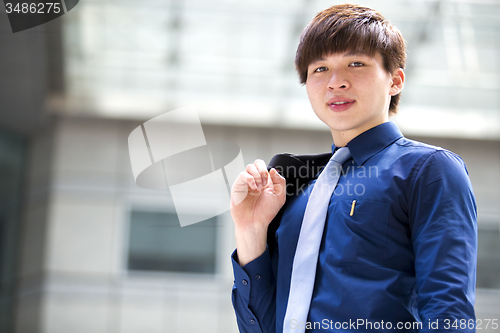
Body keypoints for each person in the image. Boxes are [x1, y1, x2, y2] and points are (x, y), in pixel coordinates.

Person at [229, 4, 477, 333]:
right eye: (319, 69)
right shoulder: (298, 188)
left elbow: (448, 311)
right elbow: (263, 326)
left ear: (396, 81)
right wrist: (250, 231)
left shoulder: (429, 170)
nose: (336, 82)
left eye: (356, 63)